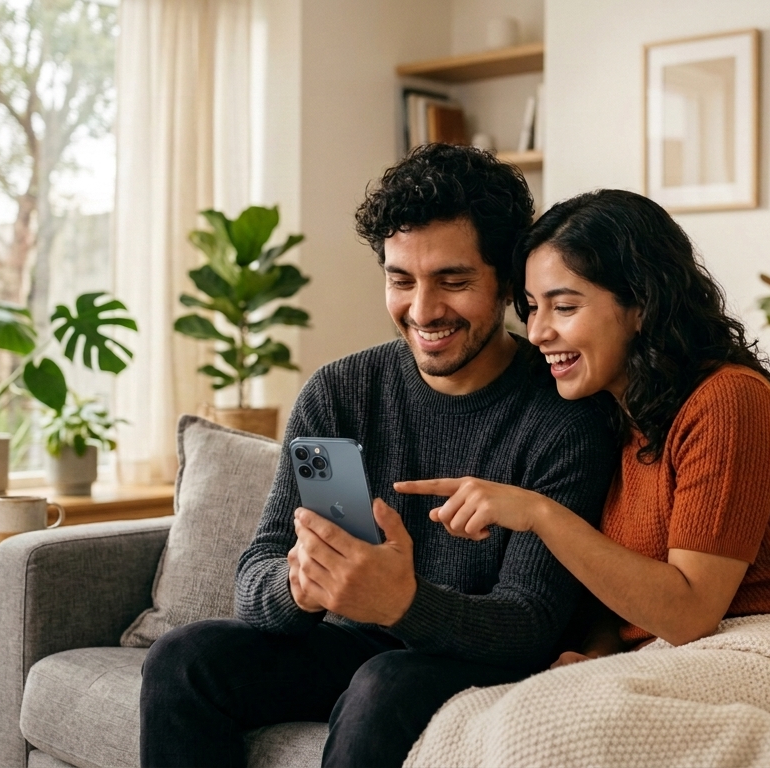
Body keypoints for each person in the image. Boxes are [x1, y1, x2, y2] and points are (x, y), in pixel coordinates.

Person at [138, 145, 617, 768]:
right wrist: (300, 586)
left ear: (507, 282)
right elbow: (257, 572)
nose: (422, 311)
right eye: (401, 280)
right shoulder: (343, 395)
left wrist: (404, 602)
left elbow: (529, 619)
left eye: (453, 280)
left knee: (384, 683)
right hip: (352, 645)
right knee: (183, 659)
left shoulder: (560, 414)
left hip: (478, 658)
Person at [398, 189, 770, 663]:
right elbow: (614, 594)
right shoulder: (611, 414)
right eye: (533, 307)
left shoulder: (728, 400)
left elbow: (690, 612)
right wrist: (596, 653)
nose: (536, 333)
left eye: (565, 307)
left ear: (641, 305)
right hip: (670, 657)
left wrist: (540, 513)